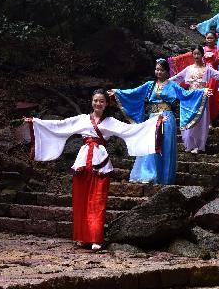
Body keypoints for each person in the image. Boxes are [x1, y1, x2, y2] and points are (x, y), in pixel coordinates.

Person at [24, 89, 162, 250]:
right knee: (80, 200)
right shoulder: (82, 120)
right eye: (96, 100)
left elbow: (131, 131)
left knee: (98, 200)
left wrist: (156, 121)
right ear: (92, 101)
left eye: (102, 101)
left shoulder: (111, 122)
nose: (98, 103)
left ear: (106, 103)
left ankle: (96, 238)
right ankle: (82, 237)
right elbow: (59, 126)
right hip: (83, 162)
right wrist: (34, 122)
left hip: (100, 163)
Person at [109, 58, 209, 183]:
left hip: (167, 118)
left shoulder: (173, 85)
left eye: (161, 70)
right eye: (157, 69)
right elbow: (134, 93)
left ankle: (164, 177)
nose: (159, 72)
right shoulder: (150, 85)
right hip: (152, 118)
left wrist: (202, 92)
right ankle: (148, 174)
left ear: (167, 72)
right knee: (150, 145)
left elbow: (186, 94)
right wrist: (117, 92)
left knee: (165, 145)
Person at [170, 46, 219, 153]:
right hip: (190, 97)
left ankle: (198, 145)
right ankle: (189, 144)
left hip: (202, 96)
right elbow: (176, 78)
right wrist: (163, 82)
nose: (196, 56)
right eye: (194, 54)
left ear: (202, 55)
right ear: (192, 55)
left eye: (198, 54)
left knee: (201, 121)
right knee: (189, 119)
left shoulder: (208, 69)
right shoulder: (188, 69)